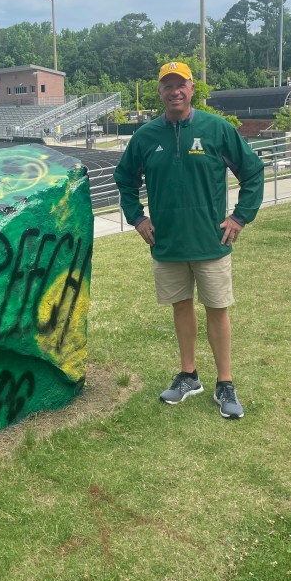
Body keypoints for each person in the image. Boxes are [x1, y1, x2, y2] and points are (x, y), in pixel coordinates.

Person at [114, 61, 264, 419]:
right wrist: (137, 218)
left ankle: (224, 382)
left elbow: (253, 171)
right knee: (180, 307)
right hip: (167, 244)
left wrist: (240, 217)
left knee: (217, 309)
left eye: (180, 84)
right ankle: (188, 375)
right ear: (160, 92)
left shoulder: (216, 129)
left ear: (192, 88)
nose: (174, 91)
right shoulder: (146, 136)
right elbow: (125, 179)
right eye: (167, 86)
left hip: (210, 241)